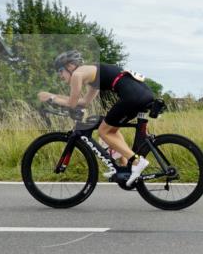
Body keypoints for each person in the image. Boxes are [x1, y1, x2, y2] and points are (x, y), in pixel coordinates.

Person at [38, 51, 152, 185]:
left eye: (60, 71)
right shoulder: (93, 74)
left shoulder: (77, 74)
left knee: (103, 131)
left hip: (132, 96)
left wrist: (51, 98)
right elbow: (84, 102)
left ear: (70, 66)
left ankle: (137, 161)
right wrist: (55, 98)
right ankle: (126, 168)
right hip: (141, 93)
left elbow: (72, 104)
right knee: (111, 130)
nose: (60, 76)